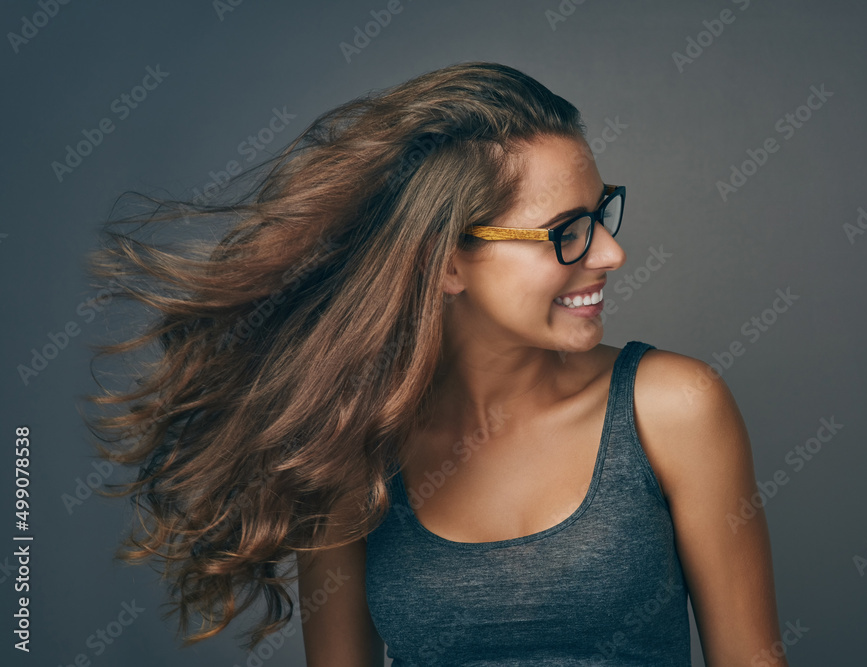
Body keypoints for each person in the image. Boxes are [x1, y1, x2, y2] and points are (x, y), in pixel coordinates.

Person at [83, 62, 787, 666]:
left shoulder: (673, 406)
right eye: (565, 232)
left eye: (602, 214)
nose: (608, 252)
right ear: (448, 261)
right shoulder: (353, 453)